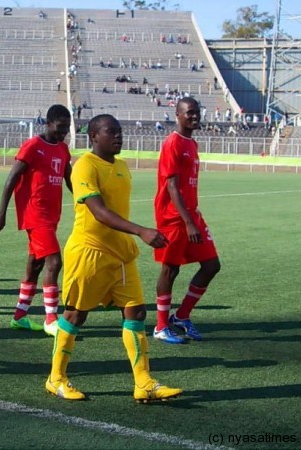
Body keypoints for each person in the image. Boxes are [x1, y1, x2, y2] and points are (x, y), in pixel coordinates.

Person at [46, 114, 182, 402]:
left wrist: (133, 235)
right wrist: (140, 230)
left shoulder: (121, 165)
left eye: (120, 131)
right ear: (94, 136)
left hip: (120, 254)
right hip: (89, 251)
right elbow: (98, 211)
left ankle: (143, 382)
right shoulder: (83, 165)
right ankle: (55, 378)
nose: (119, 136)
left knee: (136, 312)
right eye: (112, 132)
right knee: (75, 315)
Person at [0, 105, 72, 337]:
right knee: (54, 262)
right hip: (34, 214)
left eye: (67, 128)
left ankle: (19, 316)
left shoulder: (63, 149)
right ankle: (51, 319)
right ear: (47, 123)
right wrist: (2, 212)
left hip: (52, 215)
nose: (63, 132)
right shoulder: (33, 146)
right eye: (60, 128)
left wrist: (84, 200)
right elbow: (12, 178)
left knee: (35, 265)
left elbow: (69, 178)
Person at [153, 98, 221, 344]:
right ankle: (161, 327)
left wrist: (193, 218)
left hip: (192, 214)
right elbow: (171, 185)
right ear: (178, 115)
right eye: (189, 113)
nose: (194, 116)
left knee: (212, 264)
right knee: (170, 269)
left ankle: (181, 316)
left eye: (197, 112)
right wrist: (188, 222)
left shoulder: (191, 143)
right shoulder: (172, 143)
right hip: (173, 217)